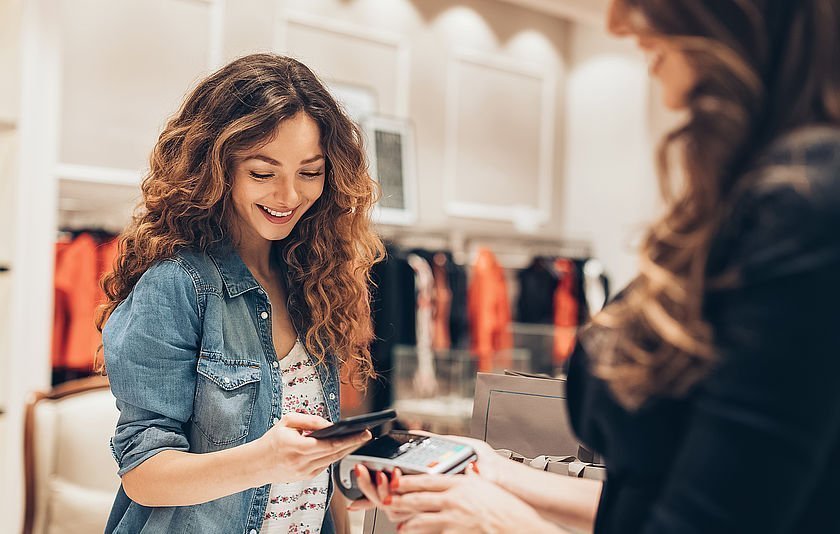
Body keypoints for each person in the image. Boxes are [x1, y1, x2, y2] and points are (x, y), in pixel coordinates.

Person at [354, 1, 840, 532]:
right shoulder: (759, 194)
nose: (615, 23)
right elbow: (666, 498)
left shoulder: (807, 206)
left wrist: (499, 522)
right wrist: (494, 473)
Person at [97, 53, 384, 533]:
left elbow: (313, 471)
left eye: (310, 173)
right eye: (262, 173)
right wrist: (264, 461)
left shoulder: (313, 282)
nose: (289, 196)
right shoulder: (178, 285)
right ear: (216, 167)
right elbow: (144, 475)